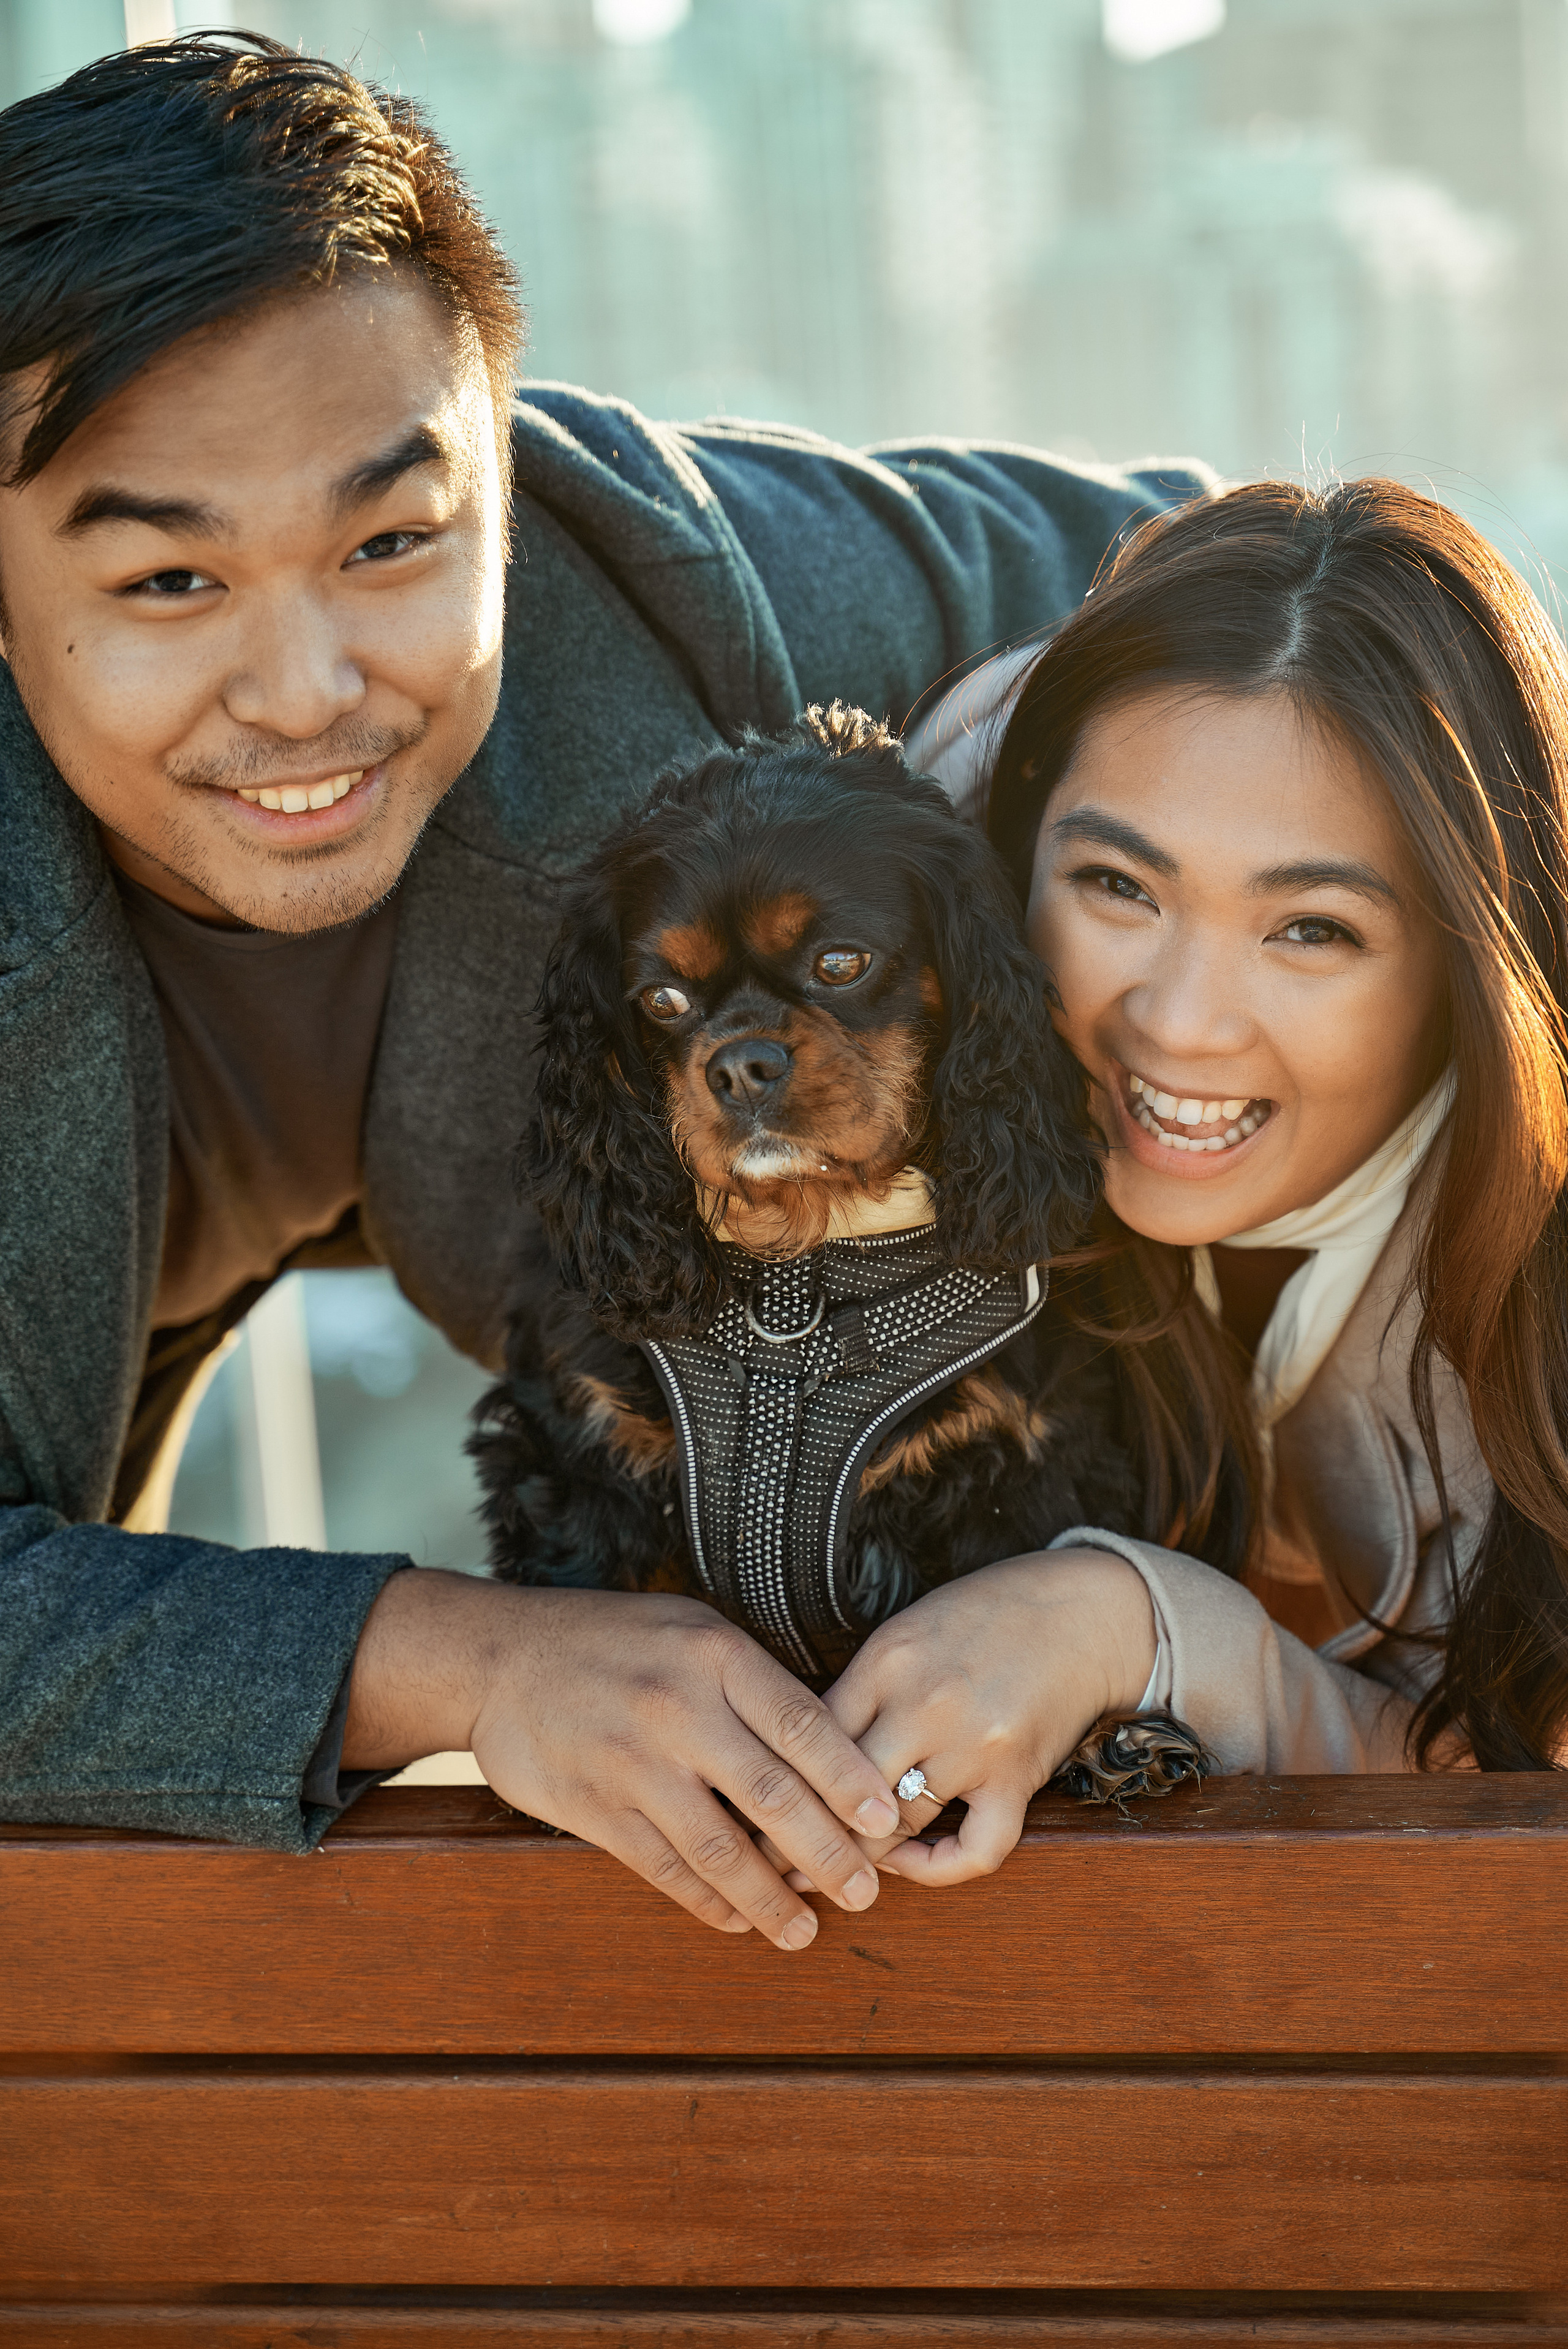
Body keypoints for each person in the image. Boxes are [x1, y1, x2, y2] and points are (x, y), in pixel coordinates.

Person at [0, 30, 1210, 1948]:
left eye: (394, 540)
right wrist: (476, 1664)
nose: (308, 687)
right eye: (169, 581)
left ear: (512, 467)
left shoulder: (682, 589)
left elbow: (1298, 587)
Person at [836, 474, 1567, 1900]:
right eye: (1117, 886)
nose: (1175, 1022)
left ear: (1467, 972)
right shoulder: (893, 1036)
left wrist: (1140, 1629)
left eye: (1308, 927)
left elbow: (1519, 1858)